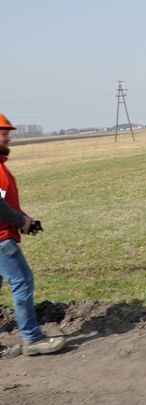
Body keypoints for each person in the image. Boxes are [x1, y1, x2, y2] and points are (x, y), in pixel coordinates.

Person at [0, 114, 66, 356]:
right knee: (22, 282)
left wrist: (26, 220)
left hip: (5, 233)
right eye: (3, 132)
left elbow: (5, 203)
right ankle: (33, 339)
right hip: (1, 240)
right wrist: (20, 221)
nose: (8, 136)